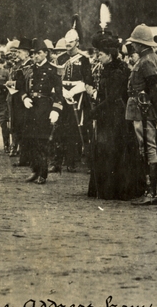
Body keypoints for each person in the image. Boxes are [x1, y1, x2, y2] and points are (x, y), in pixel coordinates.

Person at [88, 30, 142, 200]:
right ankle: (105, 187)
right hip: (107, 113)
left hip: (115, 115)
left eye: (101, 55)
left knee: (112, 149)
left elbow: (113, 97)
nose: (98, 58)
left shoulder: (117, 72)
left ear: (110, 56)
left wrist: (95, 110)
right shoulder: (108, 69)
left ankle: (113, 189)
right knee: (105, 149)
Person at [124, 25, 157, 206]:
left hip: (143, 110)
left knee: (147, 148)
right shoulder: (148, 58)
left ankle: (150, 192)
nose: (133, 46)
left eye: (135, 43)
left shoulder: (146, 61)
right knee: (146, 147)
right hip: (141, 109)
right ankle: (149, 190)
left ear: (141, 44)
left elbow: (154, 88)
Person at [17, 38, 63, 185]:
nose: (36, 56)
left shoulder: (53, 70)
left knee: (41, 141)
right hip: (31, 107)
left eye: (39, 53)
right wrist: (24, 97)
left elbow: (59, 93)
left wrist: (55, 109)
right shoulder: (29, 69)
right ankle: (35, 170)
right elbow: (21, 87)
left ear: (45, 53)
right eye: (34, 54)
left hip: (44, 107)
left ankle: (43, 173)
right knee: (30, 140)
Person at [53, 18, 94, 173]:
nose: (68, 44)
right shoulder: (60, 58)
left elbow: (88, 80)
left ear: (77, 42)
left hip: (78, 98)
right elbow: (57, 79)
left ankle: (72, 161)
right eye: (67, 42)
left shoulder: (84, 59)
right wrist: (63, 91)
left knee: (75, 129)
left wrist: (74, 91)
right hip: (62, 96)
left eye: (71, 42)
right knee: (59, 128)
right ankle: (57, 161)